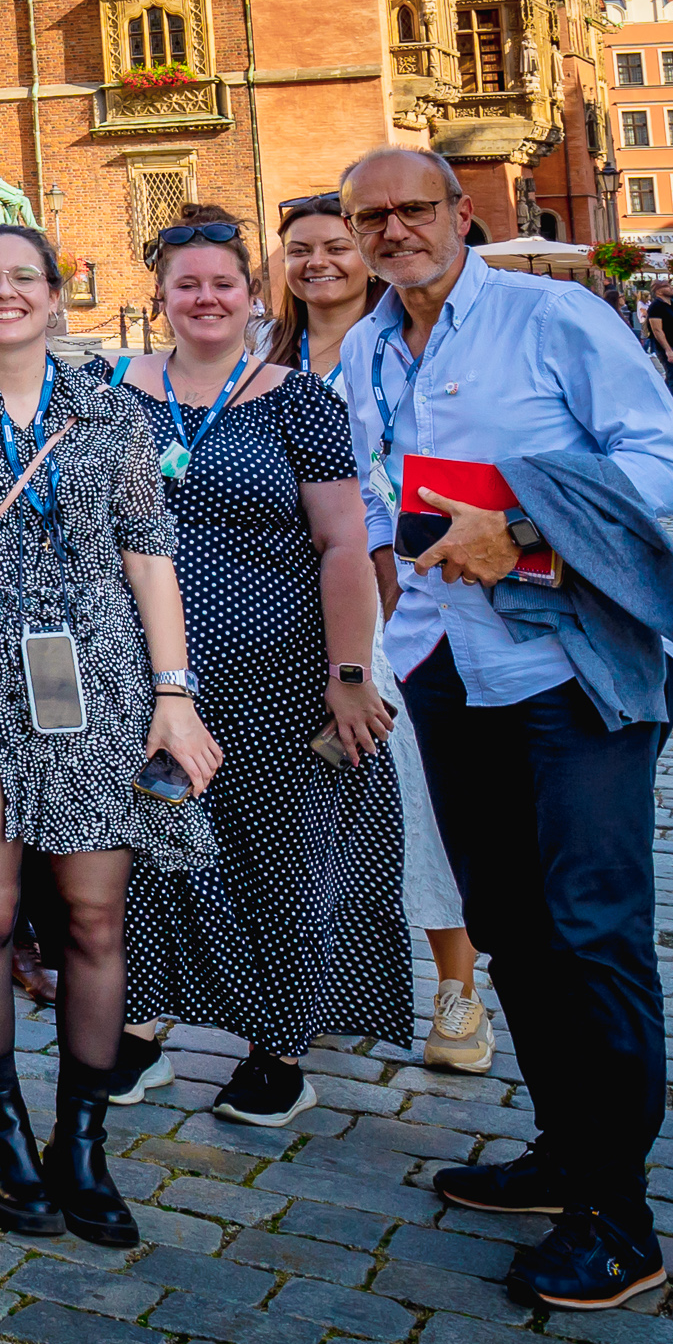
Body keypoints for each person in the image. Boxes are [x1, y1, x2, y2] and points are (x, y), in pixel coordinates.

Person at [338, 146, 673, 1314]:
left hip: (568, 667)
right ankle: (565, 1155)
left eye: (415, 208)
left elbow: (669, 466)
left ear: (462, 214)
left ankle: (621, 1218)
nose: (396, 230)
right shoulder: (361, 346)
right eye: (372, 217)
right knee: (509, 922)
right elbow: (378, 505)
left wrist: (520, 525)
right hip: (446, 664)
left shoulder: (553, 317)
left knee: (595, 930)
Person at [0, 219, 221, 1248]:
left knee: (93, 922)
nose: (6, 292)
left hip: (97, 679)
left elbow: (151, 553)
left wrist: (174, 690)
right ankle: (3, 1131)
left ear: (57, 296)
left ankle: (84, 1137)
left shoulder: (113, 413)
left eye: (25, 276)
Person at [105, 210, 410, 1131]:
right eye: (186, 284)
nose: (206, 298)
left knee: (280, 862)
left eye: (223, 284)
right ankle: (143, 1025)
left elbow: (344, 544)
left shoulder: (298, 400)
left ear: (250, 296)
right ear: (160, 298)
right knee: (150, 858)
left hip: (278, 677)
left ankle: (280, 1049)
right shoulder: (107, 389)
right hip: (144, 679)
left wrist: (350, 671)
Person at [275, 193, 492, 1075]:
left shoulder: (398, 351)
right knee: (311, 809)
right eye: (299, 250)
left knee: (417, 805)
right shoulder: (265, 359)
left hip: (398, 613)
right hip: (287, 615)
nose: (317, 262)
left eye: (334, 245)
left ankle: (457, 991)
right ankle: (317, 977)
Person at [635, 284, 673, 411]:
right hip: (669, 347)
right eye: (666, 286)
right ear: (658, 291)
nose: (671, 287)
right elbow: (657, 330)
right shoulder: (656, 306)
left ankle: (660, 403)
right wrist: (668, 350)